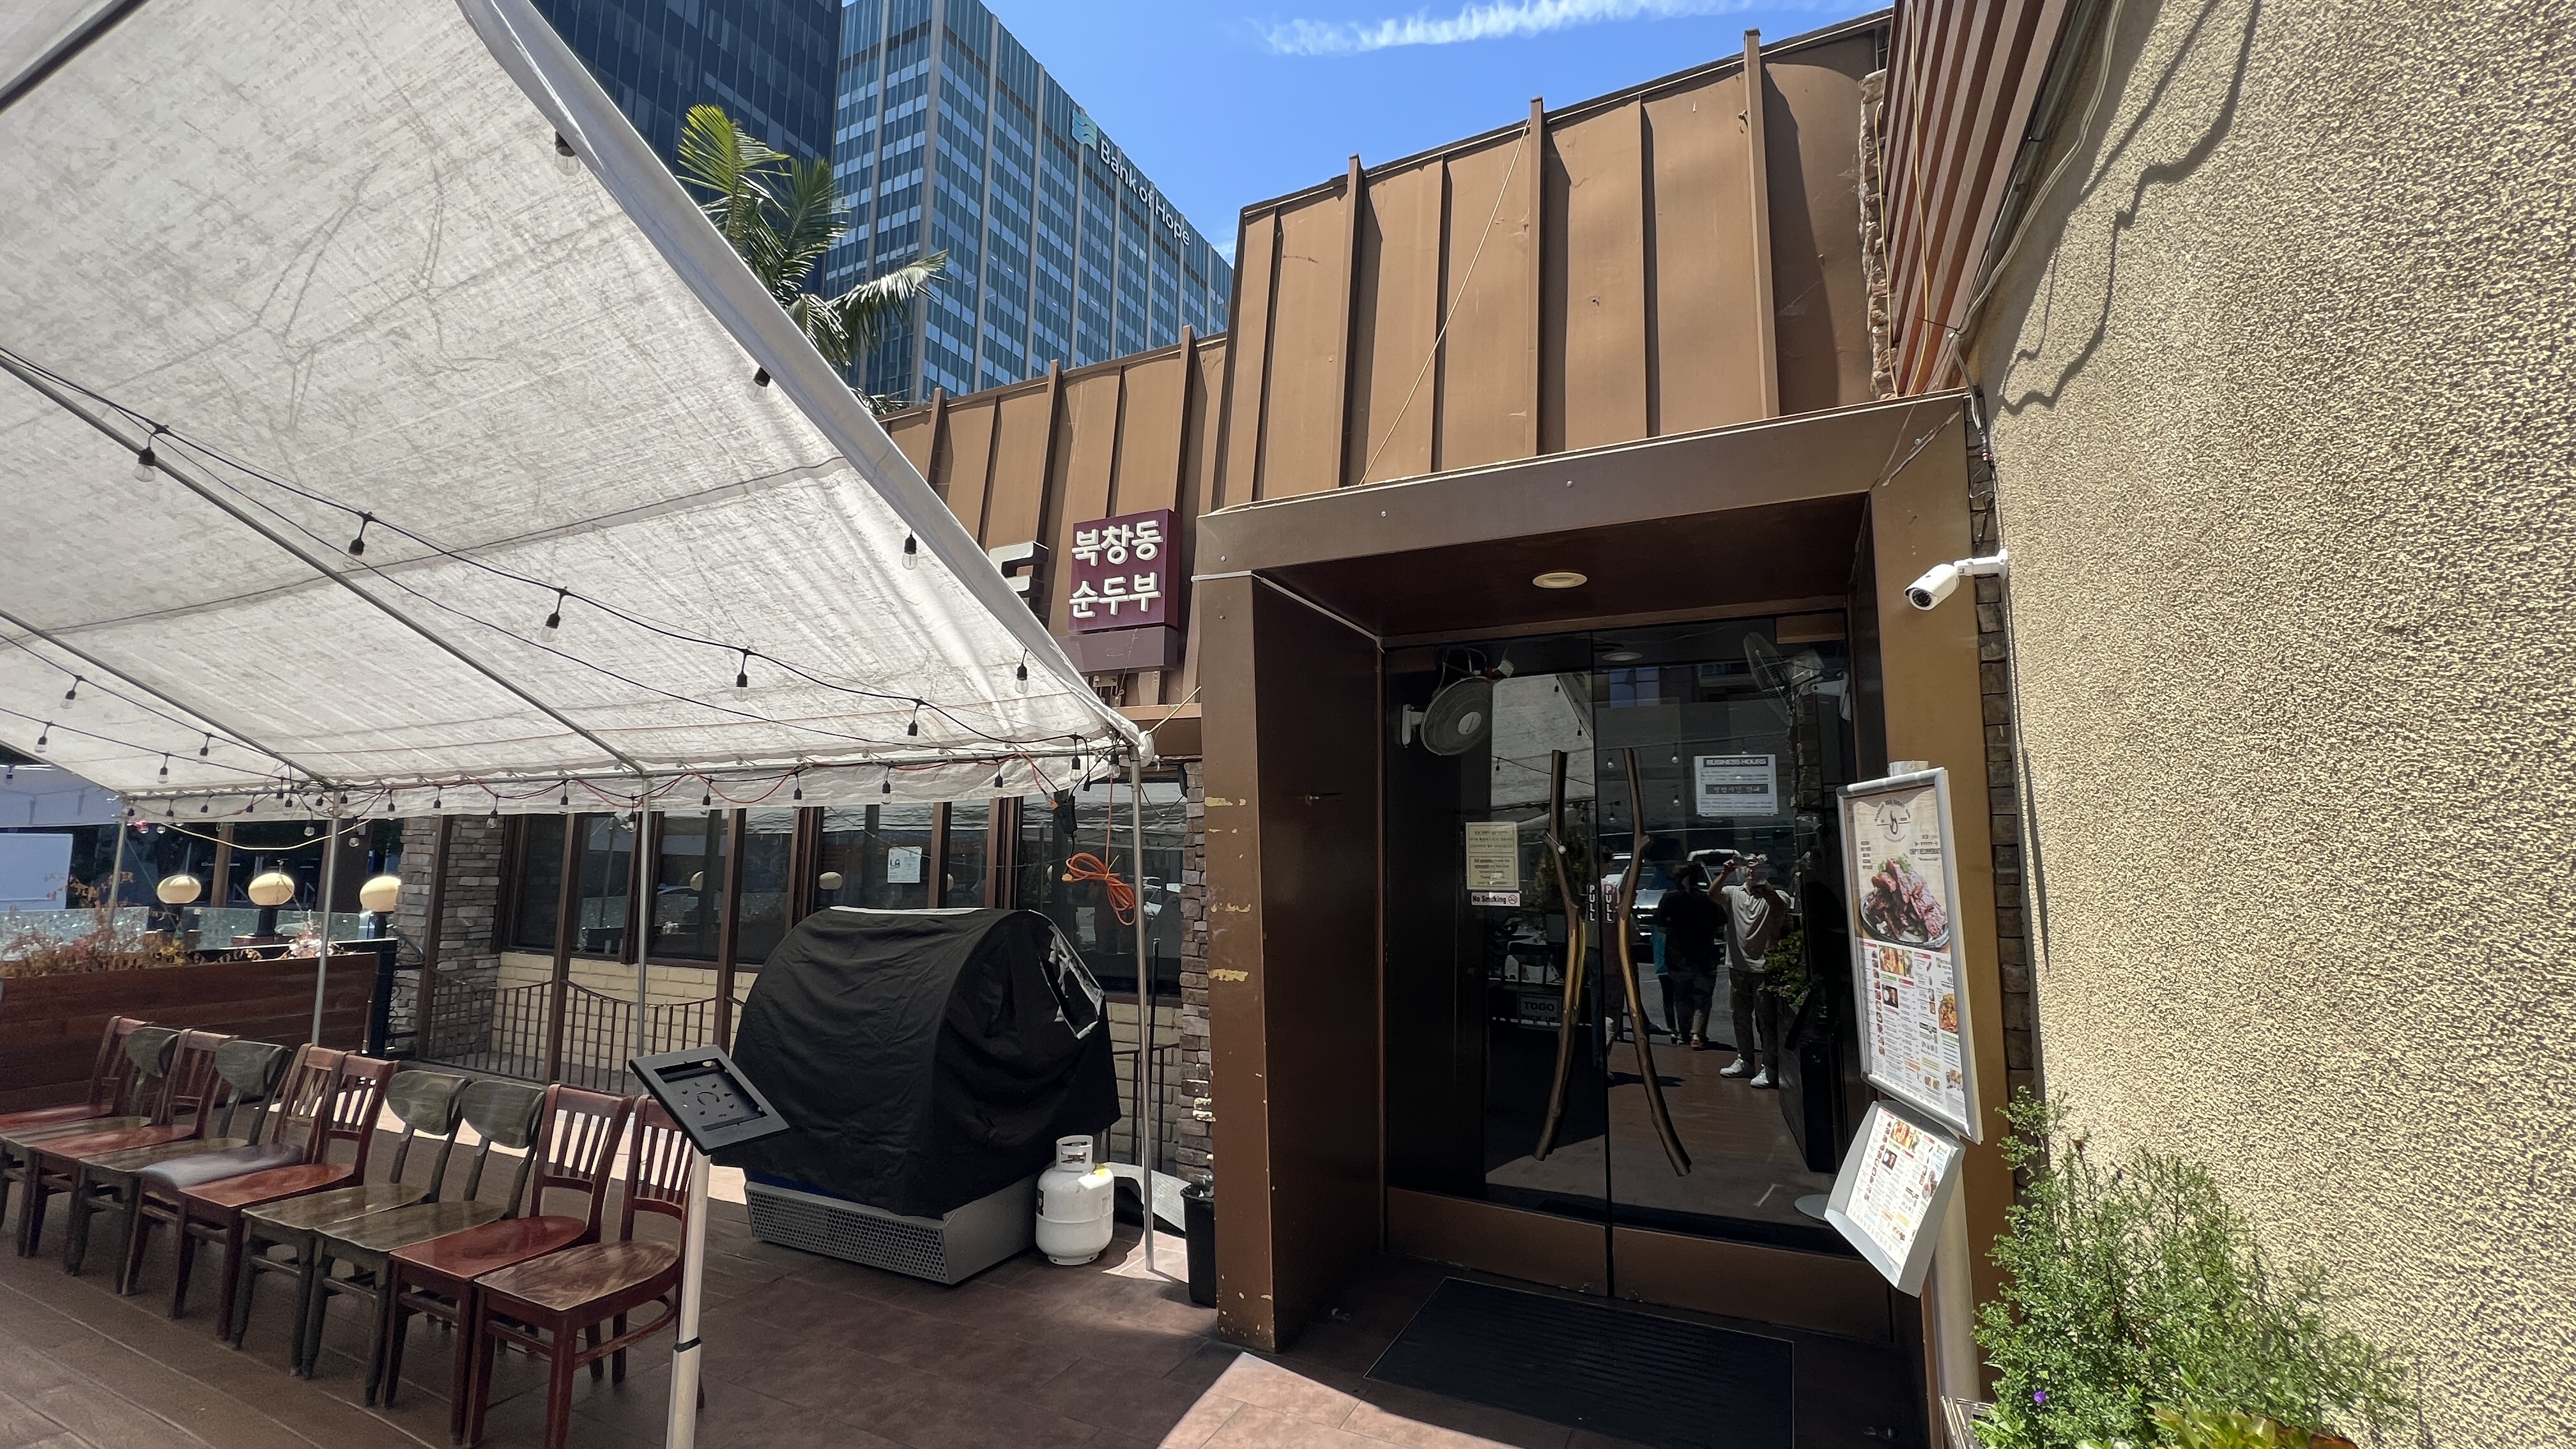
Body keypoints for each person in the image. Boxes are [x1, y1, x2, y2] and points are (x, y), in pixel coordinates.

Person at [1719, 854, 1798, 1087]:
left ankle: (1770, 1067)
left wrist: (1763, 880)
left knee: (1767, 1021)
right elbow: (1712, 895)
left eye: (1757, 867)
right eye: (1749, 867)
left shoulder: (1777, 894)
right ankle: (1745, 1060)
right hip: (1737, 966)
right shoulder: (1734, 892)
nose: (1751, 871)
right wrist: (1724, 874)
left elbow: (1780, 905)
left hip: (1763, 967)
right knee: (1740, 1017)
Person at [1650, 863, 1726, 1049]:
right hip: (1705, 955)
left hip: (1677, 955)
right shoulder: (1708, 899)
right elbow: (1720, 926)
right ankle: (1697, 1034)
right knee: (1703, 997)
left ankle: (1684, 1033)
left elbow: (1662, 927)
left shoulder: (1669, 898)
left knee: (1681, 996)